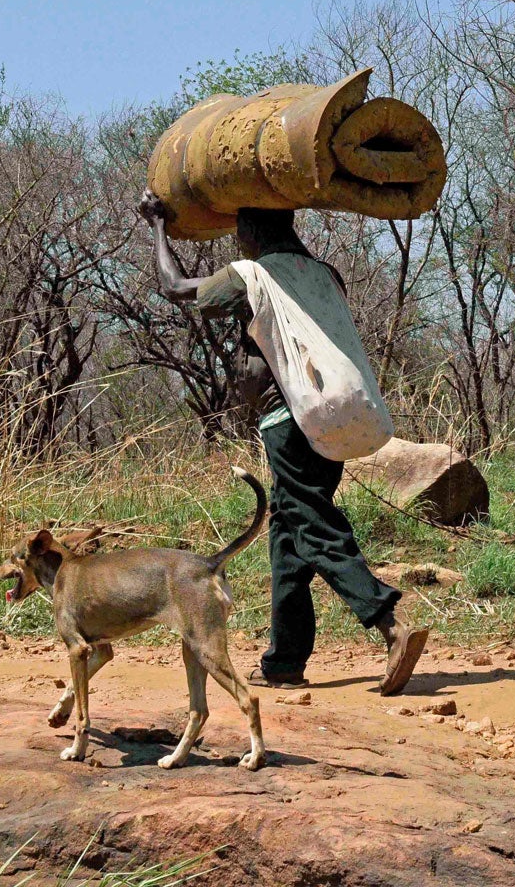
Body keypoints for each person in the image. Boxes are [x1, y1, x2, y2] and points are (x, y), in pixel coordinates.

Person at [138, 191, 429, 696]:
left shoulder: (252, 275)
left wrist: (158, 226)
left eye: (240, 232)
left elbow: (175, 287)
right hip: (333, 417)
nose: (239, 241)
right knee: (289, 536)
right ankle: (284, 661)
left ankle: (390, 626)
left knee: (312, 527)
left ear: (252, 230)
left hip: (290, 421)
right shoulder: (325, 273)